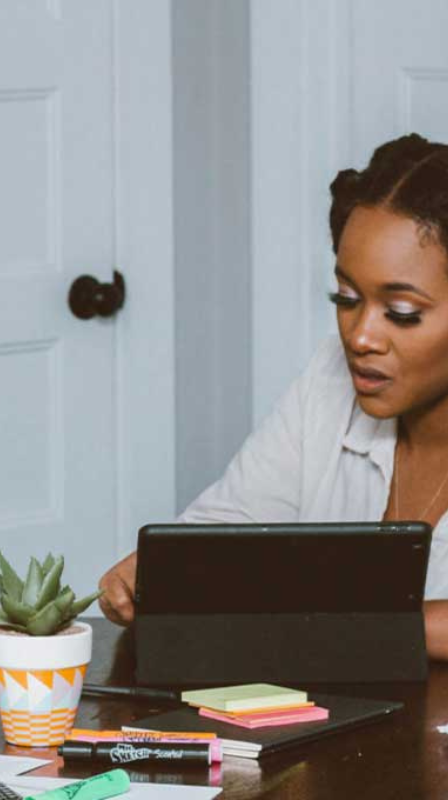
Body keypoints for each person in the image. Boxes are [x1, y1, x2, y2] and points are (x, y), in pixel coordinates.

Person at [98, 133, 448, 659]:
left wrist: (353, 624)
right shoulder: (330, 380)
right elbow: (231, 528)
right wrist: (163, 573)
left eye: (401, 313)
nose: (361, 336)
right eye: (346, 298)